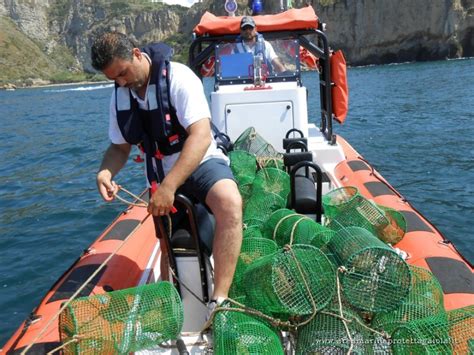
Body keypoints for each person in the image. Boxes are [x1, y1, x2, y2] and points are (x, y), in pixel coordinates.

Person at [90, 32, 242, 310]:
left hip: (199, 161)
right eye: (114, 79)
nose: (122, 82)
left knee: (229, 203)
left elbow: (200, 136)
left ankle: (221, 299)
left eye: (123, 72)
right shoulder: (120, 96)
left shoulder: (179, 78)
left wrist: (169, 188)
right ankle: (172, 305)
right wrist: (105, 173)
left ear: (136, 53)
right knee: (166, 244)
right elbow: (119, 148)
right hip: (161, 172)